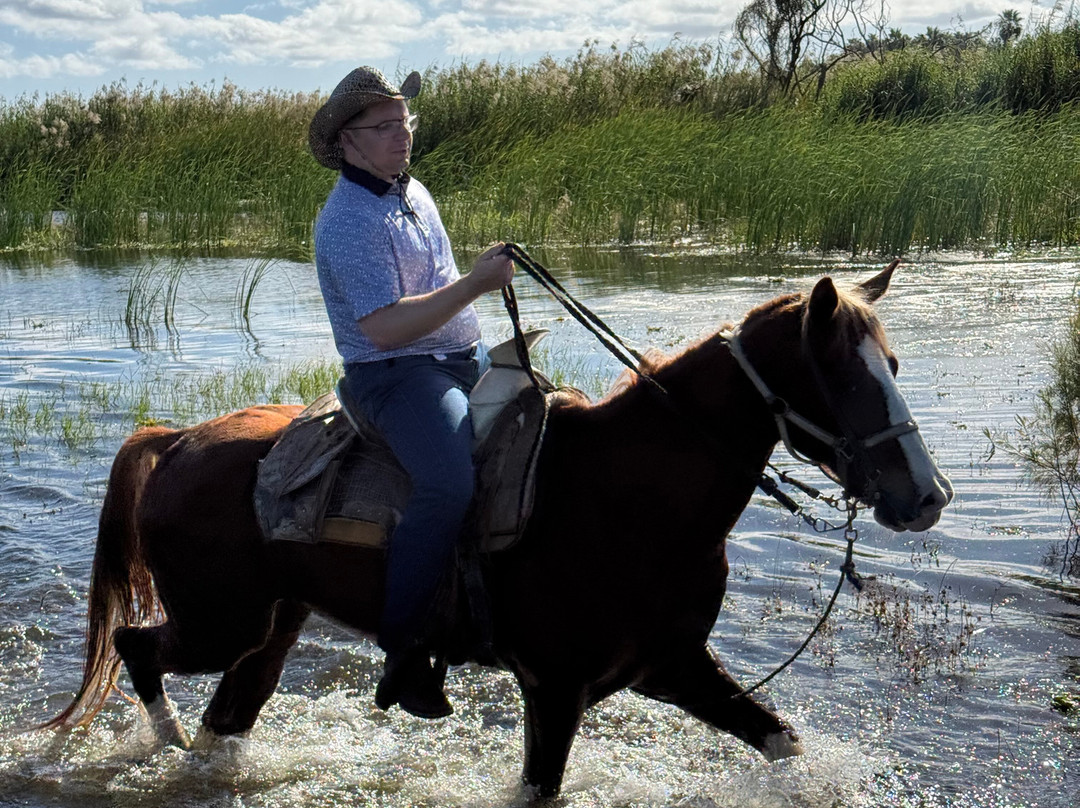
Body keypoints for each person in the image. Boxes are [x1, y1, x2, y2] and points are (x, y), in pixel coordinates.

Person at [308, 66, 514, 719]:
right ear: (348, 141)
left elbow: (441, 287)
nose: (402, 136)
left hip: (463, 358)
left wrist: (476, 287)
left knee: (555, 433)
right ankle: (402, 647)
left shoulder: (413, 191)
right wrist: (476, 286)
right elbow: (388, 326)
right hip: (396, 374)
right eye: (384, 127)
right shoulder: (344, 221)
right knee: (449, 483)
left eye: (405, 124)